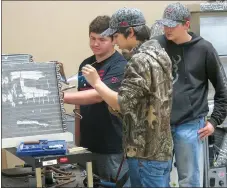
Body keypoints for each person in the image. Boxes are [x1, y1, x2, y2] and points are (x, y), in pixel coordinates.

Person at [81, 7, 173, 188]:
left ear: (130, 32)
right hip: (161, 150)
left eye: (116, 36)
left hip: (144, 153)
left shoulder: (139, 61)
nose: (114, 41)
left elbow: (122, 104)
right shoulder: (161, 53)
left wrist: (97, 83)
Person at [154, 2, 227, 187]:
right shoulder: (157, 45)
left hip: (190, 124)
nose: (167, 29)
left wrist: (214, 121)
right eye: (165, 24)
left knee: (189, 180)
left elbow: (223, 89)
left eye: (173, 25)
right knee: (158, 179)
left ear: (187, 24)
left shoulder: (204, 49)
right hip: (159, 124)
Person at [63, 15, 130, 186]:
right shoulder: (86, 64)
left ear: (114, 40)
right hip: (87, 145)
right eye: (92, 38)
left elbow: (98, 96)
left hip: (111, 146)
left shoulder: (120, 66)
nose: (95, 44)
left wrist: (60, 98)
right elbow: (80, 104)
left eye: (102, 39)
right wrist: (77, 142)